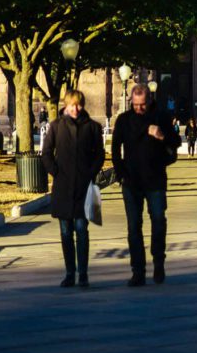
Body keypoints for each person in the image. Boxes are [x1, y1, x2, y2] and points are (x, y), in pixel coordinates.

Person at [112, 81, 177, 286]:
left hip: (155, 179)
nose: (139, 109)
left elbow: (175, 142)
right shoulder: (123, 120)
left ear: (149, 101)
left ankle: (159, 262)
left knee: (158, 221)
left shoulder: (161, 117)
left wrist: (161, 135)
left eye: (142, 105)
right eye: (135, 105)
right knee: (134, 227)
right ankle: (137, 270)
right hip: (131, 181)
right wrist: (121, 174)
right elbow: (115, 150)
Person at [40, 87, 104, 288]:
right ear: (65, 106)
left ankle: (82, 273)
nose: (75, 109)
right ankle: (69, 272)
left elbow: (99, 154)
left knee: (81, 228)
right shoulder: (56, 126)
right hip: (63, 186)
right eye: (72, 105)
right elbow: (47, 152)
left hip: (83, 185)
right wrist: (55, 172)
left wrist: (91, 171)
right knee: (66, 231)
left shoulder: (92, 127)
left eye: (78, 105)